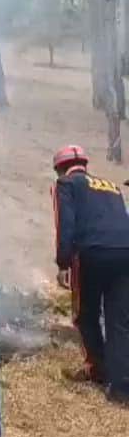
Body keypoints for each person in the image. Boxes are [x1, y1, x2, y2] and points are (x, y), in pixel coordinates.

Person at [51, 144, 129, 403]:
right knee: (119, 320)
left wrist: (63, 263)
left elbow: (65, 224)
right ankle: (121, 388)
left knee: (85, 314)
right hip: (125, 253)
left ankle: (98, 369)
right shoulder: (112, 187)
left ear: (60, 168)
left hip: (92, 254)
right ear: (85, 165)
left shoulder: (65, 184)